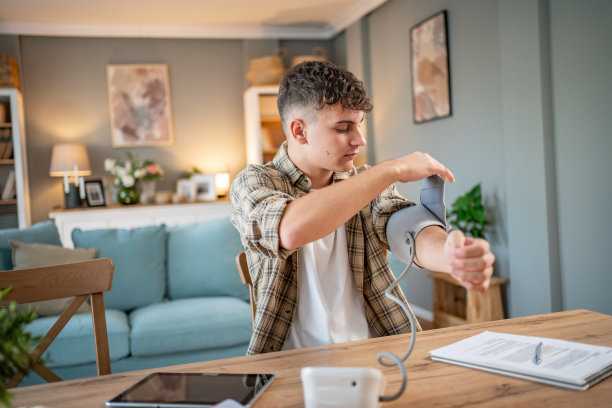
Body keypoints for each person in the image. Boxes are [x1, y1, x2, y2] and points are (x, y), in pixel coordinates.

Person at [230, 61, 495, 355]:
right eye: (344, 128)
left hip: (376, 356)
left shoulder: (364, 183)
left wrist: (450, 255)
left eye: (358, 125)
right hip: (288, 367)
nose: (360, 140)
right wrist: (392, 169)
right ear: (299, 131)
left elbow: (404, 228)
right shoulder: (254, 182)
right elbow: (289, 230)